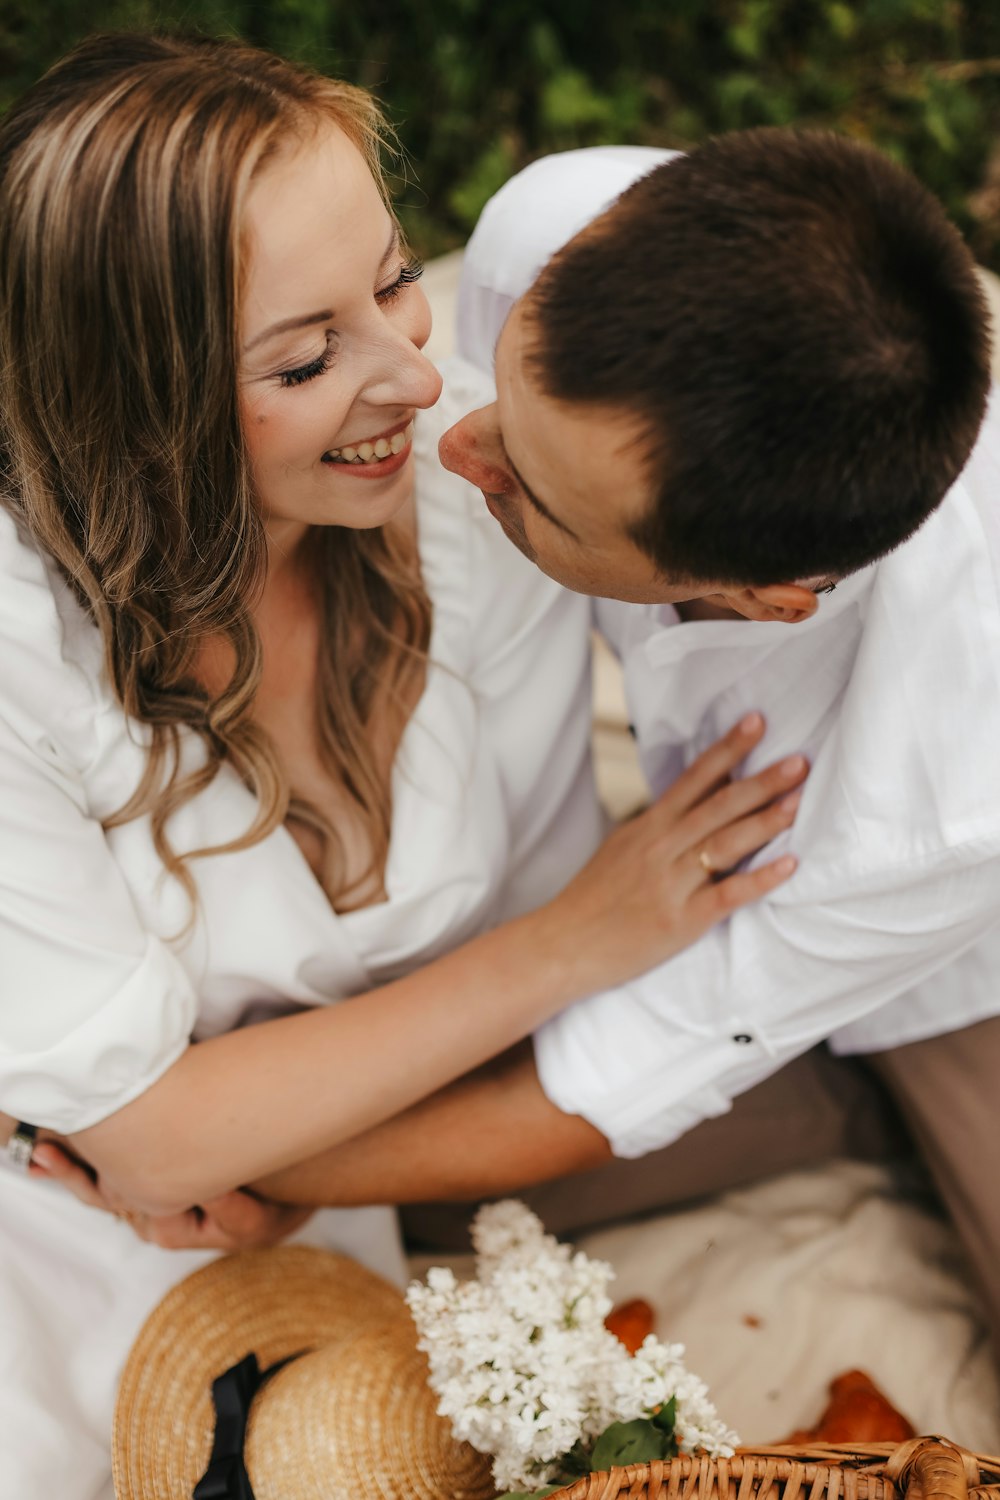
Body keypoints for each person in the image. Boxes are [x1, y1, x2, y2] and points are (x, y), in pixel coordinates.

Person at [0, 38, 806, 1499]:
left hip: (307, 1190)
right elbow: (144, 1133)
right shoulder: (17, 656)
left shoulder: (467, 471)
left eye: (390, 279)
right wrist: (576, 943)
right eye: (306, 358)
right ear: (138, 405)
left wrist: (722, 561)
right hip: (50, 1202)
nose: (418, 371)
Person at [219, 136, 1000, 1371]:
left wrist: (230, 1167)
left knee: (363, 1177)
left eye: (528, 490)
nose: (453, 440)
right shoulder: (564, 226)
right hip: (748, 872)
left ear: (761, 601)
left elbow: (579, 1093)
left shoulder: (938, 806)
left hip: (971, 957)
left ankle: (831, 1061)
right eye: (504, 391)